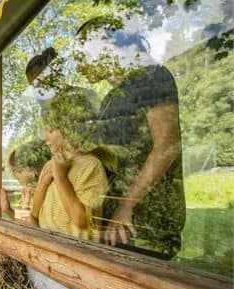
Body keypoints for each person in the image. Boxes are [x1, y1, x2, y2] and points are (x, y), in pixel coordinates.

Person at [75, 19, 186, 257]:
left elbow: (167, 145)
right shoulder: (112, 97)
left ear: (104, 47)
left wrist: (126, 206)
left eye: (82, 54)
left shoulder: (152, 76)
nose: (79, 65)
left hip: (143, 224)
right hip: (111, 223)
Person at [31, 87, 115, 242]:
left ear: (68, 128)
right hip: (48, 253)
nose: (44, 137)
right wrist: (43, 183)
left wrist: (61, 177)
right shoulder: (50, 165)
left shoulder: (91, 166)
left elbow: (82, 221)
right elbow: (34, 214)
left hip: (74, 257)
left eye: (49, 129)